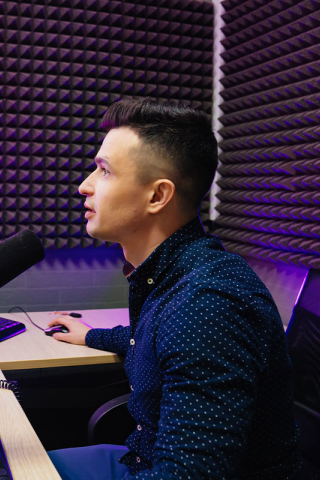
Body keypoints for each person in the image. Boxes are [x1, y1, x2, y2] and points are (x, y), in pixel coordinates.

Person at [47, 99, 301, 479]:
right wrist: (92, 335)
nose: (84, 186)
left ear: (157, 196)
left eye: (104, 171)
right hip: (141, 459)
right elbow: (155, 341)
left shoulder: (208, 303)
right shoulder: (176, 274)